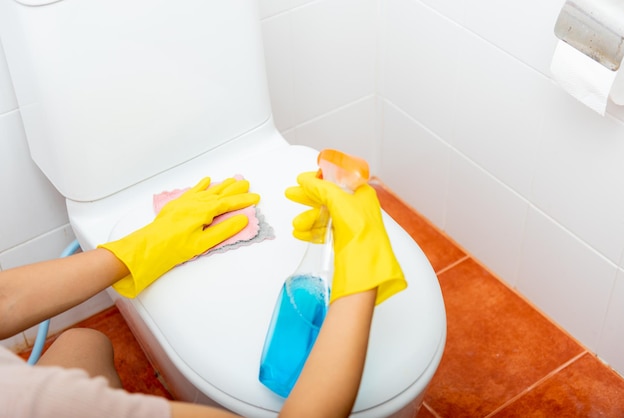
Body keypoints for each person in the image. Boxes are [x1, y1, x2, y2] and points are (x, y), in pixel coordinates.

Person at [0, 172, 406, 418]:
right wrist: (362, 271)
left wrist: (145, 245)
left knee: (81, 343)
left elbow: (6, 299)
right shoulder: (33, 401)